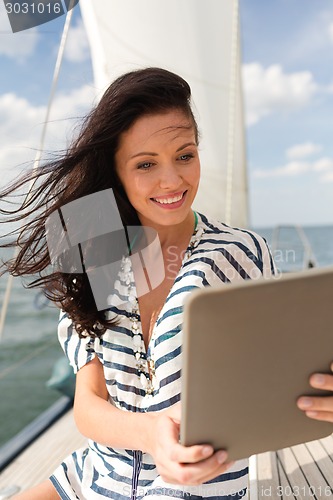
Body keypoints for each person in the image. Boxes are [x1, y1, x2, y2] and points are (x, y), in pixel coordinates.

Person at [1, 68, 332, 500]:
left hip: (194, 486)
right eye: (145, 164)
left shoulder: (237, 254)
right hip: (95, 475)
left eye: (185, 155)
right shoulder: (93, 242)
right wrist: (149, 433)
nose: (173, 181)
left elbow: (280, 375)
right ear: (115, 171)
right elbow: (88, 404)